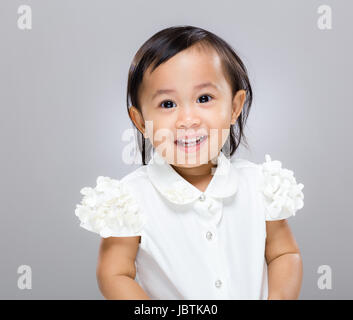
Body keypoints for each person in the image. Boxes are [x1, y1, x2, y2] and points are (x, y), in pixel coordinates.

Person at [75, 25, 304, 300]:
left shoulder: (259, 185)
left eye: (204, 98)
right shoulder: (129, 199)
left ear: (234, 107)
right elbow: (114, 274)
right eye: (168, 104)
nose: (187, 120)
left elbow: (284, 253)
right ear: (140, 121)